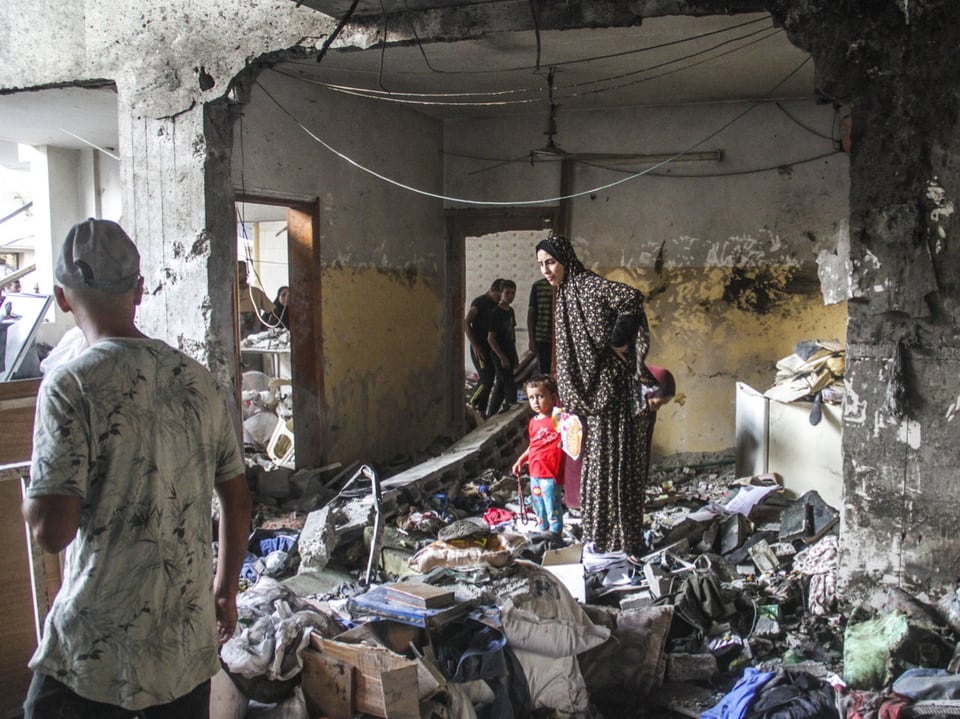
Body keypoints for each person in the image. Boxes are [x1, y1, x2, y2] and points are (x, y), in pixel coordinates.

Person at [22, 218, 252, 718]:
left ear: (63, 299)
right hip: (183, 642)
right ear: (140, 290)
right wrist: (224, 590)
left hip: (98, 648)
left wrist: (33, 495)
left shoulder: (69, 387)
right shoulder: (199, 382)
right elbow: (236, 498)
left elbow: (51, 532)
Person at [535, 233, 657, 561]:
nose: (546, 270)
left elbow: (631, 298)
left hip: (613, 392)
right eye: (542, 265)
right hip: (597, 397)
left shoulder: (587, 285)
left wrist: (617, 342)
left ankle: (620, 539)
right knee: (600, 465)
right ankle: (604, 538)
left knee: (615, 464)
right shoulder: (566, 293)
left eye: (551, 262)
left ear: (566, 259)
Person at [512, 375, 564, 534]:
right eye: (531, 397)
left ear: (553, 397)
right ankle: (543, 531)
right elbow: (533, 445)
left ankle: (555, 534)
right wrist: (521, 460)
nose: (535, 401)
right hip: (535, 472)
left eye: (540, 396)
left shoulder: (559, 417)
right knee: (538, 505)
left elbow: (571, 438)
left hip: (551, 473)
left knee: (552, 505)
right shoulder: (533, 422)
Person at [465, 279, 503, 415]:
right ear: (493, 290)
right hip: (479, 348)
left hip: (489, 348)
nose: (500, 299)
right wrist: (475, 345)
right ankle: (470, 404)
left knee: (491, 377)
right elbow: (466, 322)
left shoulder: (495, 305)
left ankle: (481, 410)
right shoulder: (479, 303)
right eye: (499, 295)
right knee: (485, 378)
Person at [486, 279, 519, 416]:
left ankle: (491, 413)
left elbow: (512, 334)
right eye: (507, 293)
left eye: (513, 293)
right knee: (508, 381)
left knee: (500, 384)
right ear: (501, 293)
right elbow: (491, 338)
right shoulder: (495, 313)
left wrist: (514, 355)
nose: (510, 296)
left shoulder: (510, 311)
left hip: (509, 350)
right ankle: (511, 403)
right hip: (499, 353)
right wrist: (502, 357)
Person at [237, 260, 272, 338]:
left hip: (252, 341)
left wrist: (264, 329)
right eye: (235, 271)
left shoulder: (255, 292)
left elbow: (273, 311)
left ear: (247, 273)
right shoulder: (227, 294)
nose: (237, 274)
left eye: (240, 271)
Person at [527, 277, 554, 374]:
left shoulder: (566, 284)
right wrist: (531, 338)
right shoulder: (538, 286)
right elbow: (531, 313)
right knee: (543, 370)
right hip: (542, 337)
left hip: (561, 337)